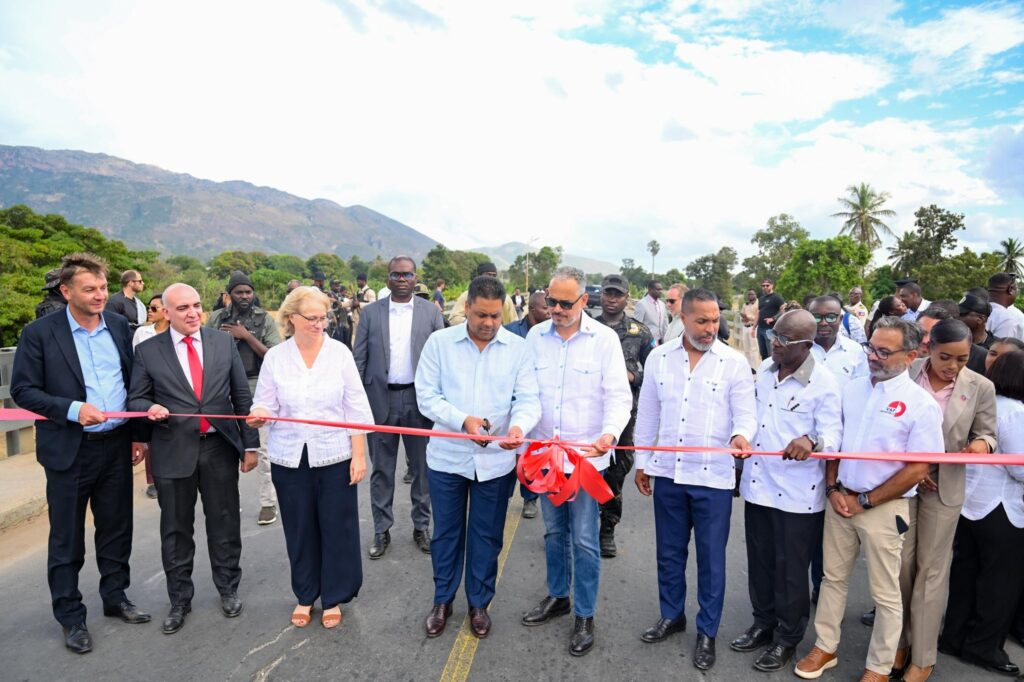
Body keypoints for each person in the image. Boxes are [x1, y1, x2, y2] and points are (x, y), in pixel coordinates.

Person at [11, 252, 151, 655]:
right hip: (69, 449)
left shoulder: (120, 326)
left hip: (116, 445)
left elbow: (133, 382)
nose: (99, 295)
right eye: (89, 289)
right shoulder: (39, 333)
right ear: (66, 290)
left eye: (103, 287)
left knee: (116, 528)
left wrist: (138, 435)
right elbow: (23, 390)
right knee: (67, 539)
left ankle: (115, 597)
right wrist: (73, 410)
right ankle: (71, 617)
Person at [795, 316, 944, 682]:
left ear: (911, 355)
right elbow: (835, 441)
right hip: (841, 501)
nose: (872, 357)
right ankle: (825, 647)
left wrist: (867, 500)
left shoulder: (920, 405)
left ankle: (878, 667)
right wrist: (832, 488)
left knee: (885, 593)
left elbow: (918, 467)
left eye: (883, 351)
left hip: (884, 509)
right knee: (832, 579)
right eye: (870, 347)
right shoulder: (853, 389)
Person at [633, 288, 757, 671]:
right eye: (702, 321)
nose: (710, 328)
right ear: (683, 319)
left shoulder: (733, 363)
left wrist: (741, 437)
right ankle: (672, 616)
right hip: (669, 473)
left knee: (711, 559)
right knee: (669, 553)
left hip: (713, 478)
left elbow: (746, 414)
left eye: (715, 320)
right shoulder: (658, 358)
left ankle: (707, 631)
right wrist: (642, 462)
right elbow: (648, 414)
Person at [128, 283, 260, 635]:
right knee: (175, 530)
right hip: (172, 450)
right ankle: (179, 600)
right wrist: (149, 408)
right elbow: (135, 399)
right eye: (182, 307)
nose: (192, 313)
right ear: (165, 312)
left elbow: (241, 396)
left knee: (225, 523)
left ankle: (228, 588)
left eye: (197, 305)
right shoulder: (149, 351)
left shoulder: (222, 342)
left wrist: (250, 446)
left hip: (219, 447)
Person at [415, 275, 541, 639]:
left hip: (496, 463)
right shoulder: (440, 343)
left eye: (495, 316)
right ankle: (442, 600)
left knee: (487, 536)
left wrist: (518, 428)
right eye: (481, 315)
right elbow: (427, 397)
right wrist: (463, 420)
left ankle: (479, 604)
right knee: (446, 535)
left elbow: (528, 399)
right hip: (447, 458)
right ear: (467, 307)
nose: (488, 323)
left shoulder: (517, 349)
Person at [520, 266, 632, 657]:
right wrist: (519, 430)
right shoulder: (535, 337)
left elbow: (619, 396)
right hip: (545, 460)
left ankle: (584, 613)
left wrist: (610, 434)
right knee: (553, 534)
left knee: (585, 539)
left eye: (565, 303)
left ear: (585, 301)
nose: (556, 309)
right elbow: (527, 393)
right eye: (550, 301)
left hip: (586, 462)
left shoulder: (604, 340)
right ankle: (558, 596)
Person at [246, 286, 372, 630]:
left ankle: (333, 597)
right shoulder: (276, 357)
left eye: (323, 318)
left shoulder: (340, 354)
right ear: (291, 319)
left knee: (337, 528)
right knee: (300, 530)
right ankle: (305, 594)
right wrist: (259, 414)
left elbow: (355, 408)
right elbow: (266, 403)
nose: (320, 324)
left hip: (334, 455)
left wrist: (358, 456)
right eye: (312, 318)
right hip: (290, 459)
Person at [730, 310, 842, 673]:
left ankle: (787, 640)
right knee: (760, 563)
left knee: (791, 572)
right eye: (773, 335)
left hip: (797, 494)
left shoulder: (823, 383)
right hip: (759, 486)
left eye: (783, 340)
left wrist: (812, 439)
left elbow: (834, 435)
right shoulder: (764, 370)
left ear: (806, 345)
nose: (774, 343)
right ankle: (762, 624)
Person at [889, 319, 998, 681]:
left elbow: (987, 434)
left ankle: (923, 656)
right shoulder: (906, 372)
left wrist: (982, 444)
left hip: (944, 487)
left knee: (931, 573)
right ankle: (898, 643)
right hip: (901, 484)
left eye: (963, 359)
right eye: (945, 357)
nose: (952, 366)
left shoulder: (980, 386)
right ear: (927, 348)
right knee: (901, 569)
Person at [353, 256, 445, 559]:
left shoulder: (431, 312)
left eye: (407, 274)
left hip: (419, 402)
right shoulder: (370, 313)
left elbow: (440, 361)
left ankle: (422, 527)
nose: (402, 279)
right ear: (388, 279)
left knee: (422, 469)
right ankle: (382, 529)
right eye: (396, 274)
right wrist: (357, 402)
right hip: (381, 399)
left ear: (415, 278)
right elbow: (359, 359)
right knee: (382, 469)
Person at [939, 350, 1024, 677]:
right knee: (1000, 583)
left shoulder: (981, 404)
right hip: (1002, 509)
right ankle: (984, 646)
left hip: (971, 503)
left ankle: (954, 636)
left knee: (965, 575)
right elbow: (1019, 468)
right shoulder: (1015, 412)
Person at [205, 271, 283, 527]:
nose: (245, 296)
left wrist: (246, 336)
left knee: (261, 449)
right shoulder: (217, 318)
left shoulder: (264, 320)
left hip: (256, 387)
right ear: (230, 294)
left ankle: (267, 503)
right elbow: (204, 350)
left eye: (248, 291)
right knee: (226, 448)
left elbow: (275, 356)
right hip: (223, 388)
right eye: (239, 292)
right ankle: (228, 502)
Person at [593, 274, 654, 558]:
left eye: (617, 294)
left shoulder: (640, 333)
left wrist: (633, 375)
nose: (612, 299)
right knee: (583, 467)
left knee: (616, 472)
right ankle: (575, 527)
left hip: (626, 412)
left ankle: (607, 528)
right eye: (608, 293)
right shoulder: (588, 326)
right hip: (591, 410)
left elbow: (651, 371)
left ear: (627, 297)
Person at [504, 289, 551, 519]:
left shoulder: (551, 334)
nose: (550, 311)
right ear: (532, 309)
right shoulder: (511, 331)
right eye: (545, 307)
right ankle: (503, 494)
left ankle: (529, 498)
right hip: (510, 402)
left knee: (531, 455)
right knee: (508, 454)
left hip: (535, 403)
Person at [133, 292, 170, 499]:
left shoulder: (176, 333)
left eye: (154, 308)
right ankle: (153, 480)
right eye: (148, 307)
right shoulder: (142, 333)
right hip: (149, 391)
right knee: (151, 437)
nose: (149, 311)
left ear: (166, 311)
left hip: (169, 391)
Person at [810, 296, 869, 386]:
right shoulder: (799, 349)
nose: (823, 323)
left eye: (831, 317)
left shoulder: (856, 351)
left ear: (840, 319)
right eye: (817, 317)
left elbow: (862, 387)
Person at [916, 306, 989, 376]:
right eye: (922, 333)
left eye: (934, 335)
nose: (926, 340)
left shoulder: (980, 359)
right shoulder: (908, 366)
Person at [448, 262, 517, 325]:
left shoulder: (505, 298)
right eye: (488, 275)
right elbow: (454, 318)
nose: (491, 278)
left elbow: (514, 321)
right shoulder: (467, 295)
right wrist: (473, 323)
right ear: (479, 276)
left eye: (494, 275)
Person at [986, 273, 1024, 341]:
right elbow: (1002, 350)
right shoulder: (1008, 318)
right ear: (1010, 289)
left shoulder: (975, 311)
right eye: (1016, 289)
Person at [756, 278, 785, 360]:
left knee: (771, 353)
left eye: (767, 285)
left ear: (772, 286)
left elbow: (784, 309)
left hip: (770, 329)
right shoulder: (761, 299)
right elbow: (758, 312)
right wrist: (754, 327)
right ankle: (764, 370)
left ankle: (772, 371)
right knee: (763, 353)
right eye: (763, 285)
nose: (765, 287)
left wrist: (773, 318)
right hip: (760, 328)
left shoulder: (776, 297)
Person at [633, 279, 668, 344]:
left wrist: (665, 340)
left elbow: (665, 324)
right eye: (658, 289)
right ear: (650, 290)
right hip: (647, 343)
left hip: (661, 342)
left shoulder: (662, 304)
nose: (661, 291)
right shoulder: (642, 304)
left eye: (661, 289)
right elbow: (636, 325)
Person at [739, 288, 760, 368]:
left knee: (754, 348)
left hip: (753, 327)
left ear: (755, 295)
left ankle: (756, 367)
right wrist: (743, 318)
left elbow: (758, 316)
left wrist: (748, 317)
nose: (750, 296)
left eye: (752, 294)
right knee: (746, 348)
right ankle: (749, 367)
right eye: (749, 294)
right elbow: (741, 314)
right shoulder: (745, 304)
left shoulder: (758, 304)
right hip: (745, 327)